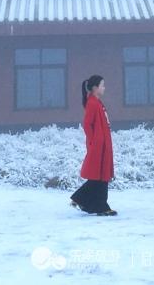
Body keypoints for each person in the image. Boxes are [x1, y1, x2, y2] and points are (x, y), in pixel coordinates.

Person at [69, 75, 117, 216]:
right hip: (99, 146)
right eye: (102, 85)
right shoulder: (93, 103)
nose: (104, 88)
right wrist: (94, 141)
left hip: (102, 145)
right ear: (95, 88)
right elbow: (87, 124)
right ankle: (101, 207)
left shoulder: (96, 102)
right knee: (101, 176)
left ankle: (81, 199)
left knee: (100, 176)